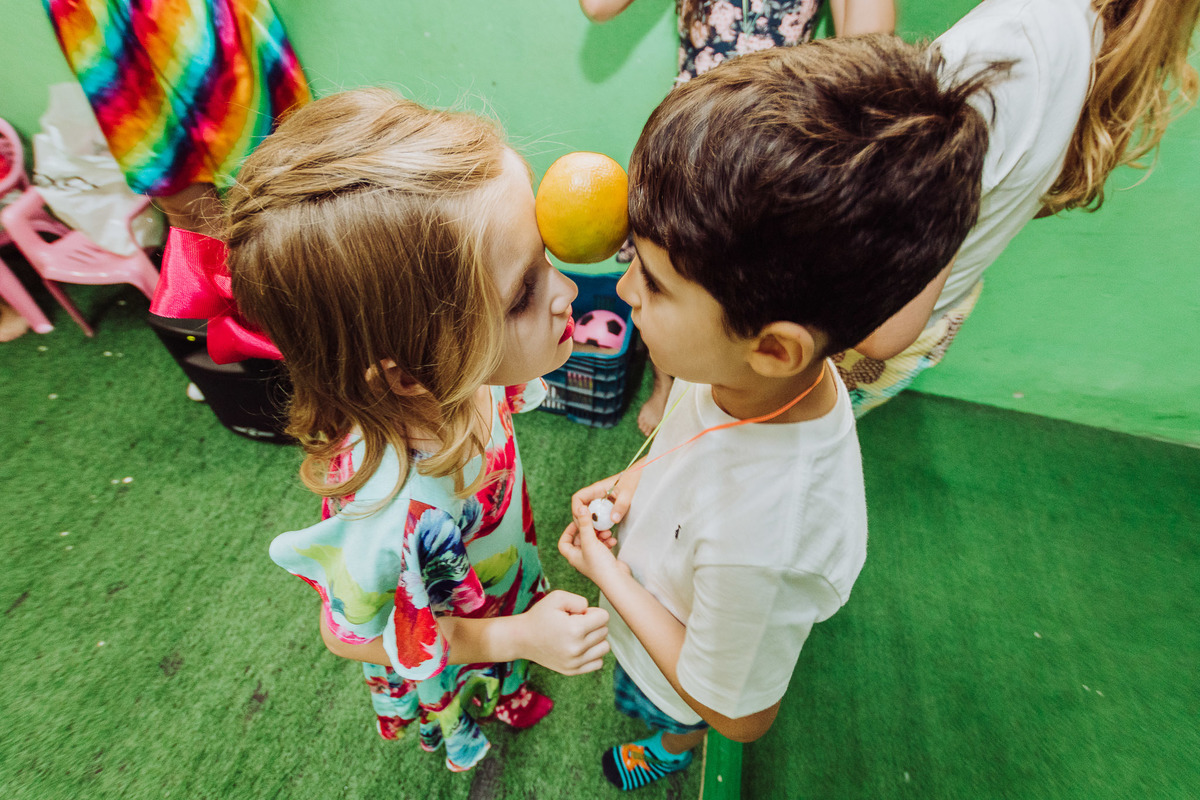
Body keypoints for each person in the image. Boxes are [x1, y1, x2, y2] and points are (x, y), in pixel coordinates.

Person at [558, 36, 1000, 790]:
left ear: (773, 347)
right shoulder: (737, 372)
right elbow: (693, 442)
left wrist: (609, 573)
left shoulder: (764, 540)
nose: (625, 289)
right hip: (657, 584)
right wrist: (633, 487)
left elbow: (737, 711)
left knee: (672, 711)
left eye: (654, 282)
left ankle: (670, 748)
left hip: (677, 668)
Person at [211, 88, 609, 772]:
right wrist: (518, 637)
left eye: (543, 258)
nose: (566, 292)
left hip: (495, 575)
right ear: (407, 375)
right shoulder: (391, 512)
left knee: (513, 640)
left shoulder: (463, 373)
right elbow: (353, 636)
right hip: (449, 633)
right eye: (523, 293)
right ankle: (494, 689)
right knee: (482, 668)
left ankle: (508, 678)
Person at [835, 0, 1200, 415]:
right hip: (933, 319)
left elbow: (882, 326)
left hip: (847, 339)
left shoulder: (1003, 46)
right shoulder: (1073, 24)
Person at [579, 0, 897, 432]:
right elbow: (598, 7)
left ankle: (728, 391)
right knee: (669, 274)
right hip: (690, 129)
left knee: (728, 292)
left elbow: (867, 58)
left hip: (770, 145)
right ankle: (665, 385)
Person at [44, 0, 311, 237]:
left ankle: (303, 261)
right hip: (93, 16)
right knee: (183, 205)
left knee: (274, 168)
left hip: (183, 13)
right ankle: (227, 274)